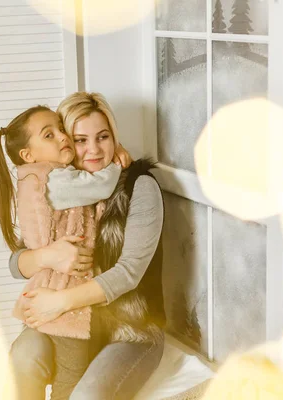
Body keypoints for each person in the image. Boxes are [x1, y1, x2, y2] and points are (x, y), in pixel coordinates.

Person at [8, 92, 166, 399]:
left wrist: (61, 301)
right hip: (69, 325)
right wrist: (47, 256)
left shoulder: (139, 186)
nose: (93, 149)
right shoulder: (60, 187)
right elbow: (16, 262)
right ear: (66, 141)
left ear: (114, 139)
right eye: (80, 139)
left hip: (129, 331)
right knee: (24, 356)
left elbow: (129, 272)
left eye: (103, 137)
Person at [0, 104, 129, 399]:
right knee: (71, 377)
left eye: (60, 129)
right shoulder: (55, 180)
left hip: (60, 294)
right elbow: (103, 185)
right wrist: (118, 158)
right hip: (66, 298)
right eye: (49, 135)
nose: (62, 138)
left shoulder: (39, 177)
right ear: (28, 155)